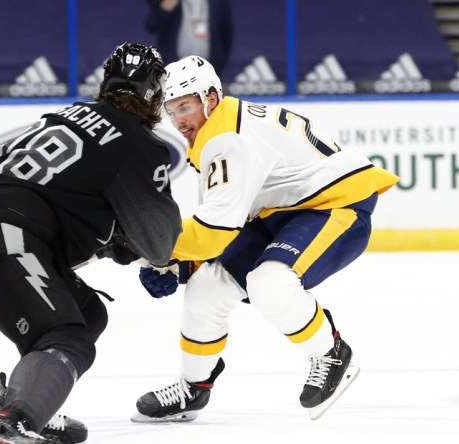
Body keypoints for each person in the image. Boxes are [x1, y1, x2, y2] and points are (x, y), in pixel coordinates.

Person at [132, 55, 399, 423]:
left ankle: (331, 353)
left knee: (269, 283)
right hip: (281, 213)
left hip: (337, 205)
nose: (179, 120)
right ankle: (194, 386)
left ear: (210, 98)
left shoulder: (227, 139)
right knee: (207, 286)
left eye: (186, 106)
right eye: (172, 110)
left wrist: (156, 252)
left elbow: (212, 233)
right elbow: (225, 218)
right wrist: (180, 263)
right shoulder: (220, 126)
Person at [0, 42, 182, 443]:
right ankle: (10, 423)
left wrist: (111, 236)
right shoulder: (138, 143)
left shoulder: (67, 115)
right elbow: (159, 243)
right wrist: (124, 241)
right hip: (7, 238)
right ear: (155, 94)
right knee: (67, 336)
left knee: (87, 315)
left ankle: (36, 401)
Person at [144, 0, 233, 75]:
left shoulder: (218, 2)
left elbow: (226, 33)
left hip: (207, 69)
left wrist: (219, 63)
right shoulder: (171, 1)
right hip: (173, 68)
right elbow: (152, 26)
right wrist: (164, 9)